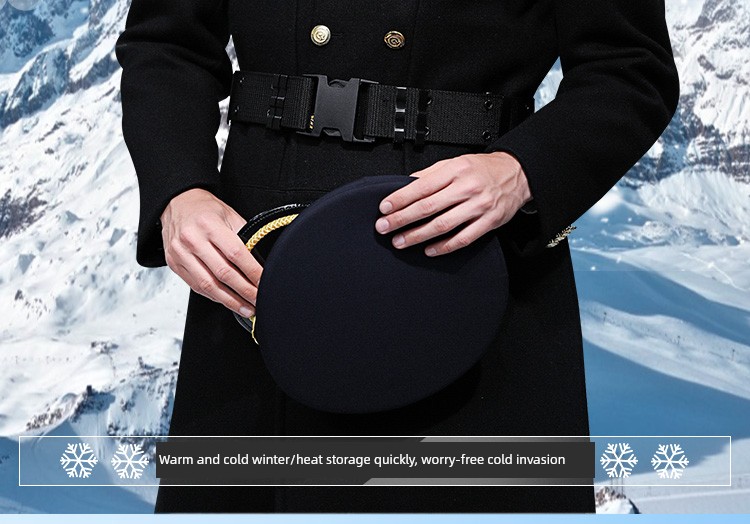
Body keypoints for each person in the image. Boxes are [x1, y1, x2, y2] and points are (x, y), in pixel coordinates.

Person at [115, 0, 679, 513]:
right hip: (261, 271)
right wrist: (179, 188)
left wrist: (521, 169)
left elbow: (630, 67)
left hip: (467, 259)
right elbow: (167, 44)